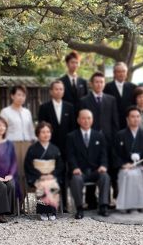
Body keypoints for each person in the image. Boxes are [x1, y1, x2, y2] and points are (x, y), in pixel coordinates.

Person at [79, 71, 119, 206]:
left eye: (101, 82)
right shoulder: (84, 100)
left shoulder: (111, 99)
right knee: (91, 167)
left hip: (107, 140)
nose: (99, 84)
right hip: (89, 140)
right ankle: (90, 200)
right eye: (96, 82)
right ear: (91, 84)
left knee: (106, 169)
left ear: (104, 83)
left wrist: (115, 139)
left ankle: (106, 200)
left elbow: (115, 122)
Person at [37, 80, 76, 210]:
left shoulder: (70, 107)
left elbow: (73, 128)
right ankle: (49, 205)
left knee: (64, 174)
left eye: (61, 89)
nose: (59, 91)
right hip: (49, 147)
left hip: (66, 147)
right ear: (51, 91)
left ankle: (64, 204)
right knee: (49, 173)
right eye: (56, 89)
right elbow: (41, 128)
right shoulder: (44, 107)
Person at [65, 109, 111, 219]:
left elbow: (104, 154)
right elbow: (70, 155)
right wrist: (74, 167)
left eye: (89, 118)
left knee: (105, 176)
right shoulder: (71, 136)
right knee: (76, 179)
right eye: (83, 118)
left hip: (96, 170)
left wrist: (103, 165)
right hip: (80, 171)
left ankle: (103, 206)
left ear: (92, 120)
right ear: (78, 120)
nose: (86, 121)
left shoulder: (99, 136)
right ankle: (80, 208)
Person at [0, 85, 35, 210]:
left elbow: (31, 130)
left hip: (27, 145)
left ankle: (20, 204)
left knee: (25, 174)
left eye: (23, 95)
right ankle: (11, 204)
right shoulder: (5, 112)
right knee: (14, 174)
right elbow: (1, 131)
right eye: (18, 94)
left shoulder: (27, 112)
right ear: (12, 96)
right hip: (11, 145)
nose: (21, 98)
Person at [24, 122, 64, 221]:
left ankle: (52, 211)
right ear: (38, 134)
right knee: (42, 183)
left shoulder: (55, 149)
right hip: (36, 176)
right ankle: (43, 211)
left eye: (48, 132)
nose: (46, 134)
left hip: (52, 176)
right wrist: (39, 175)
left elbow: (60, 165)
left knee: (51, 182)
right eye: (43, 132)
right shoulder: (32, 149)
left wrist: (52, 174)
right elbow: (28, 166)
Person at [104, 61, 137, 126]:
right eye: (119, 72)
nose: (121, 74)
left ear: (126, 73)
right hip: (113, 122)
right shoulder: (107, 87)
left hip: (129, 122)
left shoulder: (133, 87)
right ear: (114, 73)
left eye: (123, 71)